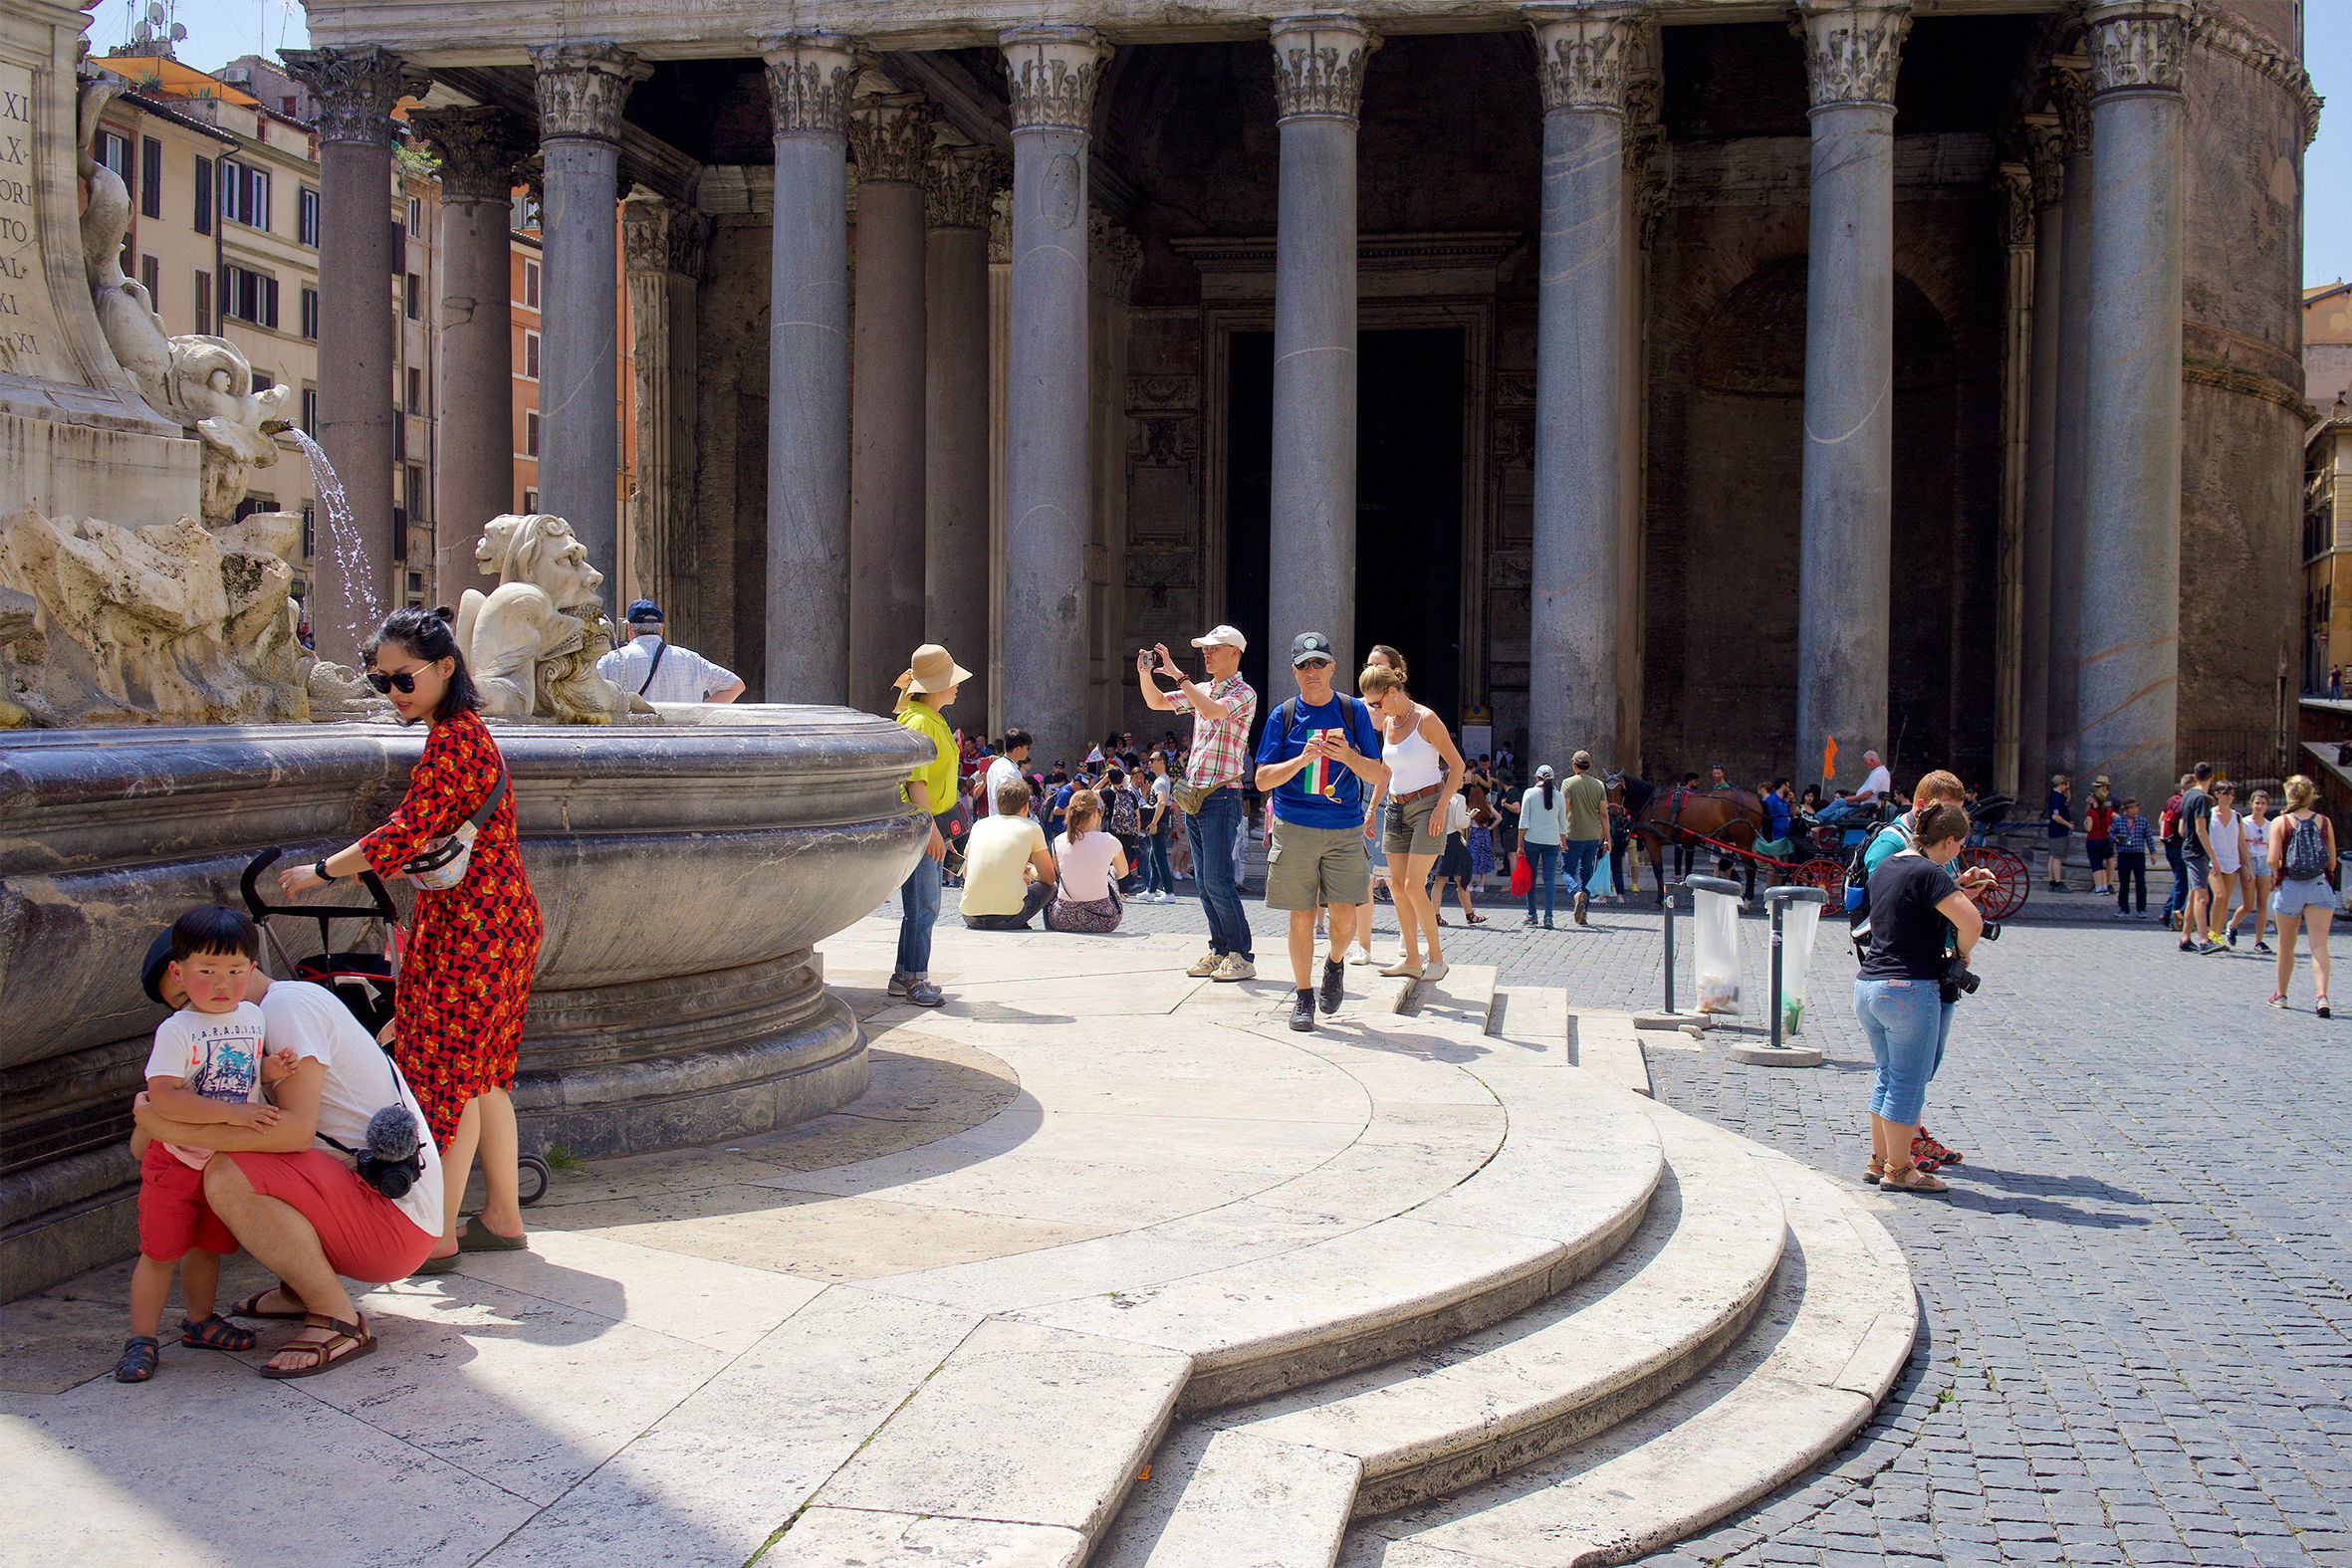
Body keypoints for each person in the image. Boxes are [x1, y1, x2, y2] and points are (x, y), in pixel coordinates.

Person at [276, 606, 539, 1272]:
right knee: (483, 1076)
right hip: (500, 919)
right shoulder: (465, 730)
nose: (392, 691)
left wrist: (318, 872)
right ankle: (501, 1216)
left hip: (470, 929)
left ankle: (438, 1233)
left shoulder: (452, 741)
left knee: (444, 1078)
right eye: (379, 680)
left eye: (403, 678)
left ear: (446, 667)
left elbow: (404, 832)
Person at [129, 925, 447, 1378]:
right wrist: (159, 1117)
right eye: (186, 999)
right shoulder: (236, 1029)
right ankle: (299, 1290)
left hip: (393, 1223)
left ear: (247, 966)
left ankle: (336, 1317)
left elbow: (296, 1134)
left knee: (227, 1172)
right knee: (232, 1159)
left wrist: (164, 1123)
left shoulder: (284, 1007)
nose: (208, 998)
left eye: (226, 973)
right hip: (366, 1200)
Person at [116, 908, 290, 1382]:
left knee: (205, 1247)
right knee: (159, 1253)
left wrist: (269, 1072)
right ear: (179, 972)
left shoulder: (253, 1017)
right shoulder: (177, 1030)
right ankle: (142, 1338)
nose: (221, 983)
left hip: (224, 1161)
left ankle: (199, 1321)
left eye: (235, 971)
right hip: (175, 1159)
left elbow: (243, 1073)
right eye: (207, 971)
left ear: (252, 971)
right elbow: (165, 1096)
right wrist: (234, 1113)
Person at [1254, 632, 1389, 1030]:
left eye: (1318, 664)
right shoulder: (1283, 715)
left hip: (1344, 827)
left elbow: (1378, 772)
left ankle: (1334, 964)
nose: (1311, 671)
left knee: (1345, 917)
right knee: (1301, 916)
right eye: (1303, 665)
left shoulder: (1353, 712)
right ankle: (1303, 997)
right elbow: (1261, 779)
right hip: (1295, 826)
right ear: (1294, 671)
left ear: (1332, 667)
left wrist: (1347, 755)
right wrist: (1300, 760)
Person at [1853, 801, 1984, 1197]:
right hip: (1910, 988)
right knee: (1908, 1083)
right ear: (1948, 841)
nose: (1959, 853)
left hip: (1868, 986)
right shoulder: (1932, 872)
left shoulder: (1889, 864)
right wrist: (1963, 954)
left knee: (1886, 1076)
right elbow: (1972, 922)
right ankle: (1900, 1168)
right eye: (1960, 845)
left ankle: (1878, 1161)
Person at [1138, 625, 1260, 982]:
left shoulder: (1243, 692)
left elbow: (1213, 711)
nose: (1206, 653)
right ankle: (1220, 950)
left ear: (1234, 653)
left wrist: (1179, 676)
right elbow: (1156, 701)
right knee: (1205, 882)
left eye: (1214, 648)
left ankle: (1242, 954)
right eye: (1204, 648)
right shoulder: (1200, 688)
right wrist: (1147, 675)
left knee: (1218, 880)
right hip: (1197, 797)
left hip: (1222, 795)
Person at [1360, 659, 1463, 978]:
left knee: (1414, 885)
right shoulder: (1391, 722)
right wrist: (1371, 809)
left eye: (1376, 703)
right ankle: (1412, 960)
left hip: (1427, 806)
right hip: (1394, 807)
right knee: (1395, 886)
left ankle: (1437, 959)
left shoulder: (1426, 719)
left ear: (1392, 691)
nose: (1375, 710)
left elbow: (1457, 767)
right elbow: (1386, 771)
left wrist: (1441, 807)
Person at [877, 644, 967, 1007]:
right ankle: (915, 978)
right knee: (924, 905)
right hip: (923, 823)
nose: (958, 686)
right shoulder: (920, 721)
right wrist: (931, 829)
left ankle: (904, 974)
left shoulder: (930, 718)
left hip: (929, 822)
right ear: (935, 685)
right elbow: (916, 781)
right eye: (951, 680)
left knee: (922, 903)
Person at [2267, 774, 2336, 1015]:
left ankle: (2281, 994)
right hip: (2318, 886)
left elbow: (2272, 859)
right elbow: (2333, 861)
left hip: (2291, 886)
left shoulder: (2281, 822)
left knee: (2286, 945)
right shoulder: (2324, 822)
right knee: (2319, 945)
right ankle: (2322, 996)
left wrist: (2277, 875)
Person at [594, 599, 746, 703]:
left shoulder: (611, 661)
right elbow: (735, 685)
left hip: (633, 743)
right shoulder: (690, 659)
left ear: (629, 629)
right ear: (661, 628)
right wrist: (700, 714)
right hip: (680, 743)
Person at [961, 778, 1058, 929]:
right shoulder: (1032, 828)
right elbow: (1048, 878)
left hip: (970, 915)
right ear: (1026, 806)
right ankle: (1051, 927)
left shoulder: (979, 825)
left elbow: (965, 872)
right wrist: (1030, 870)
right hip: (1008, 917)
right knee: (1050, 888)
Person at [1046, 788, 1129, 933]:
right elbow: (1123, 873)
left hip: (1063, 918)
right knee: (1110, 872)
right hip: (1103, 918)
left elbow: (1058, 873)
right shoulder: (1110, 841)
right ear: (1095, 813)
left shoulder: (1057, 841)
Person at [1517, 764, 1567, 928]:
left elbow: (1523, 821)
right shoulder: (1558, 796)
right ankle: (1549, 916)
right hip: (1552, 841)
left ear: (1537, 777)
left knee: (1531, 878)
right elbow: (1562, 823)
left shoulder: (1529, 793)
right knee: (1550, 878)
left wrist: (1519, 844)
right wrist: (1563, 841)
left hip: (1532, 840)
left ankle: (1532, 913)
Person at [1561, 751, 1609, 926]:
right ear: (1589, 766)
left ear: (1574, 765)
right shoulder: (1599, 785)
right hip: (1592, 836)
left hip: (1572, 834)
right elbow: (1603, 814)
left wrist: (1560, 834)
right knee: (1587, 873)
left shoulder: (1568, 783)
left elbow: (1564, 811)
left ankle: (1575, 893)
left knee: (1567, 871)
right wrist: (1608, 839)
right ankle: (1584, 913)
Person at [2178, 763, 2219, 955]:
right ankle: (2204, 940)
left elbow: (2182, 827)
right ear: (2211, 777)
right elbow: (2201, 829)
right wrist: (2213, 858)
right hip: (2197, 852)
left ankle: (2186, 937)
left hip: (2188, 848)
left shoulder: (2187, 795)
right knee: (2203, 897)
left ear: (2194, 777)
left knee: (2193, 895)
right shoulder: (2202, 798)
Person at [2207, 782, 2243, 948]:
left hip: (2232, 861)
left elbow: (2241, 842)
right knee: (2219, 896)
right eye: (2225, 792)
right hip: (2213, 862)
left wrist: (2247, 866)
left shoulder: (2237, 816)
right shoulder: (2209, 815)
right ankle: (2212, 933)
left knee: (2225, 900)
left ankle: (2219, 933)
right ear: (2216, 794)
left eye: (2232, 793)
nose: (2229, 796)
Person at [2236, 789, 2274, 952]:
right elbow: (2240, 845)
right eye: (2257, 802)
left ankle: (2259, 940)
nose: (2259, 806)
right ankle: (2232, 924)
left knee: (2263, 903)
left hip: (2264, 862)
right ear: (2251, 804)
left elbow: (2274, 848)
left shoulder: (2270, 825)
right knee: (2248, 904)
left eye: (2263, 803)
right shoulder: (2244, 823)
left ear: (2267, 806)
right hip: (2249, 861)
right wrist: (2246, 867)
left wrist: (2274, 871)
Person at [1139, 749, 1178, 902]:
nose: (1149, 763)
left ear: (1161, 762)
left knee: (1159, 858)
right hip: (1161, 822)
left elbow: (1161, 802)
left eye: (1152, 760)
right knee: (1153, 857)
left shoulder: (1160, 781)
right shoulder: (1163, 779)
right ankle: (1151, 890)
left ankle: (1169, 892)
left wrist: (1154, 823)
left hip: (1159, 823)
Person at [1817, 750, 1891, 828]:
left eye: (1866, 763)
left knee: (1839, 805)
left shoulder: (1878, 774)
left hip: (1865, 805)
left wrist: (1852, 799)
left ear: (1872, 761)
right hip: (1866, 804)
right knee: (1839, 808)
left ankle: (1817, 819)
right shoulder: (1882, 772)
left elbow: (1867, 794)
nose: (1866, 765)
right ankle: (1818, 820)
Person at [2112, 797, 2154, 919]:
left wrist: (2153, 853)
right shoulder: (2119, 821)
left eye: (2136, 808)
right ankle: (2123, 908)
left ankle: (2141, 909)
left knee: (2140, 883)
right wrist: (2115, 838)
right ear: (2125, 810)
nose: (2135, 810)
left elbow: (2149, 838)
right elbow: (2111, 834)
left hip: (2138, 855)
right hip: (2124, 855)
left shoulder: (2143, 822)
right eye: (2132, 808)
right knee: (2124, 883)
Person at [2160, 773, 2192, 930]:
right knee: (2182, 883)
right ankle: (2174, 918)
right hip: (2180, 846)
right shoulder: (2187, 802)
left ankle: (2166, 913)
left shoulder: (2171, 800)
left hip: (2168, 845)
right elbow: (2182, 829)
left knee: (2179, 880)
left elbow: (2161, 821)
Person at [1755, 779, 1796, 883]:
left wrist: (1793, 801)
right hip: (1776, 836)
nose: (1789, 789)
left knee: (1781, 866)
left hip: (1784, 836)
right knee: (1773, 865)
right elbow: (1766, 819)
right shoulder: (1772, 800)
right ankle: (1770, 888)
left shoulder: (1783, 801)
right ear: (1783, 786)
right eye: (1787, 786)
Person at [984, 730, 1034, 818]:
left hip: (995, 819)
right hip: (1008, 823)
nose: (1028, 751)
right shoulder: (1012, 772)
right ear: (1018, 749)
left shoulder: (995, 765)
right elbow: (1012, 804)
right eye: (1027, 748)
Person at [2081, 776, 2114, 897]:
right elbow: (2117, 817)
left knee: (2096, 865)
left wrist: (2085, 820)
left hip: (2093, 840)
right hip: (2105, 840)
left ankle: (2099, 888)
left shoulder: (2091, 812)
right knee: (2102, 866)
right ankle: (2104, 888)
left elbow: (2088, 828)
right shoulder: (2107, 811)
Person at [2044, 773, 2072, 891]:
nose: (2066, 786)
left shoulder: (2058, 796)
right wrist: (2068, 824)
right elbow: (2056, 816)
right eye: (2065, 784)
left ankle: (2052, 880)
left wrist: (2068, 790)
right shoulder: (2056, 797)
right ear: (2060, 784)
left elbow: (2067, 800)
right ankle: (2058, 881)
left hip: (2056, 830)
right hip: (2058, 830)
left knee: (2053, 856)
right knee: (2057, 857)